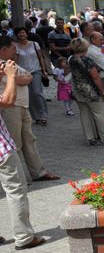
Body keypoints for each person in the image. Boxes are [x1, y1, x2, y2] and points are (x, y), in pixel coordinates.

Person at [0, 47, 45, 249]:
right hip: (2, 149)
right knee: (16, 189)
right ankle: (24, 237)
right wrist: (10, 77)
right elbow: (7, 101)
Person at [0, 37, 58, 182]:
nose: (16, 51)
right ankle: (18, 178)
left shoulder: (10, 64)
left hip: (22, 106)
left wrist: (20, 77)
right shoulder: (2, 66)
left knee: (29, 140)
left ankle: (39, 172)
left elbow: (28, 76)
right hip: (10, 107)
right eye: (13, 48)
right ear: (3, 49)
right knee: (15, 143)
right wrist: (19, 77)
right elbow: (20, 79)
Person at [67, 38, 104, 146]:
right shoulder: (87, 60)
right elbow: (96, 77)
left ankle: (90, 138)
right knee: (100, 113)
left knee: (85, 114)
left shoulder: (72, 59)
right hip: (90, 90)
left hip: (78, 89)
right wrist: (103, 91)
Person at [13, 27, 50, 126]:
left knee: (37, 92)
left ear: (26, 34)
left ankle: (43, 115)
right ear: (17, 35)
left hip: (36, 71)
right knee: (29, 95)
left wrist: (44, 70)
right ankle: (36, 117)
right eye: (19, 33)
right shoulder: (16, 47)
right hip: (23, 73)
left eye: (23, 32)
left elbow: (41, 58)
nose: (22, 34)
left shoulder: (34, 44)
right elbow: (15, 61)